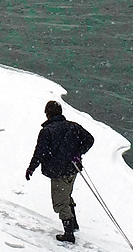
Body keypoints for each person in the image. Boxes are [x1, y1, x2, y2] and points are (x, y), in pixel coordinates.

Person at [25, 100, 95, 243]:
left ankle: (69, 234)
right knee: (66, 194)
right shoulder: (73, 126)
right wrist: (78, 153)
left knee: (60, 203)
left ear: (48, 114)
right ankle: (73, 224)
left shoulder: (47, 131)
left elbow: (40, 153)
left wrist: (31, 168)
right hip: (73, 169)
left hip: (58, 172)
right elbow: (90, 139)